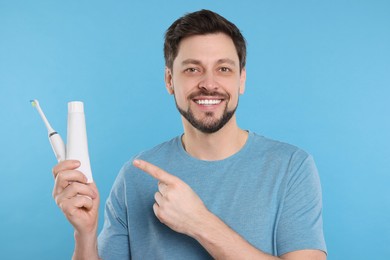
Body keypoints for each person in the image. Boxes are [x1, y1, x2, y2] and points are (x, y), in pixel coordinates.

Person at [52, 9, 327, 259]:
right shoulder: (134, 177)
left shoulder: (291, 167)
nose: (209, 84)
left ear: (241, 79)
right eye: (192, 69)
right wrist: (85, 234)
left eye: (223, 69)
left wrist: (199, 223)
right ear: (170, 80)